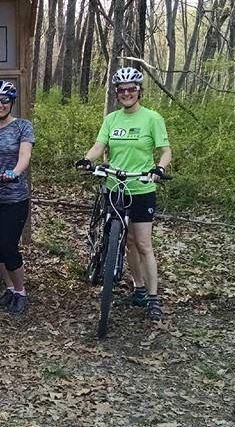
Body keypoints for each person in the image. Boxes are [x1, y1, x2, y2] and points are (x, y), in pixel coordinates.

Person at [76, 66, 172, 321]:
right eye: (122, 90)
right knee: (126, 241)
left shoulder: (152, 118)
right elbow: (100, 145)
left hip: (141, 188)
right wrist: (87, 159)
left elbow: (165, 151)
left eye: (132, 89)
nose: (127, 93)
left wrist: (159, 169)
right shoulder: (112, 119)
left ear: (139, 91)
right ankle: (138, 288)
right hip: (115, 187)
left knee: (142, 243)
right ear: (117, 93)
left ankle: (153, 297)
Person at [0, 80, 35, 315]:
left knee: (8, 245)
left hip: (14, 196)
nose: (0, 104)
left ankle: (21, 291)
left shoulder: (23, 126)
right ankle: (10, 288)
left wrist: (14, 172)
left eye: (4, 100)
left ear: (11, 102)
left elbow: (25, 156)